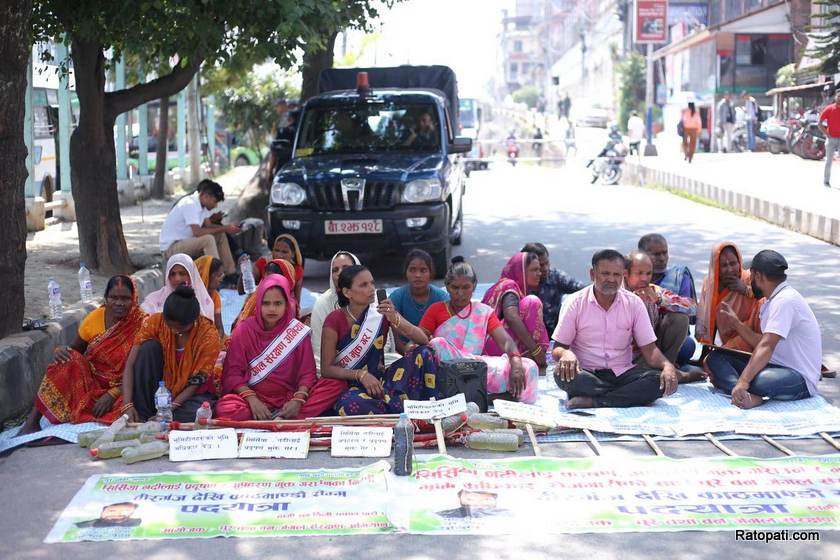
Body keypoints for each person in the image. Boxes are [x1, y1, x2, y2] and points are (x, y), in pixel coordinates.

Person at [551, 249, 679, 409]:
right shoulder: (575, 302)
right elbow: (558, 348)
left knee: (656, 381)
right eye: (605, 274)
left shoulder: (634, 303)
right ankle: (622, 396)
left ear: (623, 275)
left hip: (622, 373)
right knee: (561, 375)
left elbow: (650, 350)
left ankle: (595, 401)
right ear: (592, 274)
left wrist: (667, 366)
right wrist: (566, 353)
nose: (611, 279)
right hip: (587, 373)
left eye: (616, 275)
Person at [20, 276, 146, 434]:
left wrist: (113, 393)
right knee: (66, 359)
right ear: (106, 298)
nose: (119, 303)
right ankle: (32, 422)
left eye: (125, 298)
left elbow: (142, 370)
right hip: (91, 382)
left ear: (134, 299)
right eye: (114, 297)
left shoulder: (142, 323)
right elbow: (75, 350)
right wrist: (61, 351)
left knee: (131, 411)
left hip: (124, 388)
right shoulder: (94, 318)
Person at [215, 275, 346, 420]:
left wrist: (298, 400)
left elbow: (307, 374)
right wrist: (252, 400)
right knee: (226, 408)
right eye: (266, 303)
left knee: (335, 384)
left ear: (287, 304)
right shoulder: (244, 330)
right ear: (258, 304)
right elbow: (232, 373)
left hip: (290, 397)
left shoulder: (296, 331)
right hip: (254, 397)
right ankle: (282, 418)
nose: (272, 309)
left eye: (278, 303)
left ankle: (282, 415)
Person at [706, 251, 822, 407]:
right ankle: (745, 394)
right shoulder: (772, 299)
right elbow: (761, 342)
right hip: (773, 365)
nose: (749, 283)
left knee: (760, 381)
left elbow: (767, 346)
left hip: (799, 377)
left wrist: (744, 380)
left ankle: (745, 392)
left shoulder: (785, 301)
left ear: (758, 276)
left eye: (750, 278)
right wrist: (737, 324)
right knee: (717, 358)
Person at [321, 265, 438, 415]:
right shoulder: (335, 319)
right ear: (347, 292)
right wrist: (361, 375)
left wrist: (394, 317)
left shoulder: (379, 311)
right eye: (364, 285)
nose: (371, 289)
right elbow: (326, 369)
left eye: (372, 283)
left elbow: (422, 340)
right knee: (351, 404)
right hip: (353, 386)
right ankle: (403, 408)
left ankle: (425, 409)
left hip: (383, 380)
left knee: (424, 353)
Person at [420, 257, 539, 404]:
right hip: (448, 371)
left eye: (465, 287)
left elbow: (505, 341)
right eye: (455, 288)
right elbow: (419, 339)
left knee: (529, 367)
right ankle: (482, 397)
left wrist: (515, 360)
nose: (460, 293)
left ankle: (494, 400)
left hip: (476, 368)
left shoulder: (483, 312)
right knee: (437, 343)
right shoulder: (436, 310)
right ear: (447, 286)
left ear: (474, 287)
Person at [121, 286, 221, 422]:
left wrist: (169, 410)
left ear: (194, 320)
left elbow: (196, 382)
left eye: (181, 328)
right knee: (148, 348)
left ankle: (163, 417)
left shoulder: (208, 336)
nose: (174, 331)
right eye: (170, 326)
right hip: (159, 391)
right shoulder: (156, 322)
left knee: (196, 413)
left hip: (190, 396)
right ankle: (143, 414)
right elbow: (131, 364)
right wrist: (127, 405)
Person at [624, 251, 703, 383]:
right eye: (639, 273)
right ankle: (662, 375)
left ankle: (667, 372)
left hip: (652, 353)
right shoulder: (616, 295)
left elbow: (693, 308)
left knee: (680, 319)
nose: (644, 278)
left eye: (648, 274)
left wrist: (660, 300)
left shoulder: (653, 290)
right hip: (625, 357)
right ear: (626, 274)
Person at [637, 233, 697, 365]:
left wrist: (660, 300)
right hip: (632, 340)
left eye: (665, 253)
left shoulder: (677, 276)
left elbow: (691, 308)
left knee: (687, 345)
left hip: (663, 336)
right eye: (656, 254)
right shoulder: (627, 278)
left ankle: (665, 368)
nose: (662, 258)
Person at [159, 179, 239, 276]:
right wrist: (225, 228)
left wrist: (228, 228)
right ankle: (214, 276)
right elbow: (197, 232)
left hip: (185, 242)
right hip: (171, 248)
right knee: (208, 239)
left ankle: (230, 273)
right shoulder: (189, 204)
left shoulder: (202, 206)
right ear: (205, 196)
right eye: (214, 201)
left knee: (220, 235)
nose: (215, 205)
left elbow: (209, 225)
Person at [481, 252, 549, 367]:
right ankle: (533, 355)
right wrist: (536, 351)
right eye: (534, 270)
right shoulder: (509, 286)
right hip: (492, 346)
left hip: (493, 344)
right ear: (521, 271)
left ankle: (527, 356)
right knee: (532, 302)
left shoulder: (508, 286)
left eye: (539, 270)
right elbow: (511, 317)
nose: (539, 273)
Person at [695, 242, 762, 353]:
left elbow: (767, 299)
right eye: (724, 265)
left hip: (748, 335)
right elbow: (706, 315)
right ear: (716, 266)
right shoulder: (709, 283)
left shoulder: (749, 279)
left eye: (733, 263)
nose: (730, 269)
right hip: (726, 339)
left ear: (739, 262)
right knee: (710, 360)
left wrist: (746, 290)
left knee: (713, 361)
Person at [388, 249, 449, 354]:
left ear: (431, 273)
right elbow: (392, 333)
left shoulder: (442, 298)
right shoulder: (396, 298)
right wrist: (404, 352)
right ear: (406, 272)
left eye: (423, 270)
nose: (417, 275)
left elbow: (448, 331)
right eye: (412, 270)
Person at [311, 251, 361, 371]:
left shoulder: (371, 298)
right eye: (335, 270)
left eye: (346, 268)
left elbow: (385, 345)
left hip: (372, 363)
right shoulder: (322, 304)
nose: (340, 273)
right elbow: (319, 353)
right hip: (336, 370)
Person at [521, 242, 586, 336]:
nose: (545, 269)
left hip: (553, 333)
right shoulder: (517, 284)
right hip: (526, 337)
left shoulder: (554, 276)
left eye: (547, 263)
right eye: (540, 265)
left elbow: (582, 289)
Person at [141, 253, 215, 321]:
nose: (177, 278)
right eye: (172, 274)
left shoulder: (204, 301)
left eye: (182, 273)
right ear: (168, 277)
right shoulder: (153, 300)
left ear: (191, 275)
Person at [234, 259, 299, 328]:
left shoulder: (290, 305)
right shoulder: (258, 293)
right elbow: (241, 292)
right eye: (267, 279)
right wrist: (245, 271)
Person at [254, 234, 305, 301]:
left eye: (284, 252)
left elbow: (297, 299)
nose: (280, 255)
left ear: (293, 253)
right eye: (277, 250)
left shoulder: (297, 270)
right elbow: (246, 287)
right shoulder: (263, 263)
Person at [195, 256, 225, 339]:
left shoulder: (215, 296)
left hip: (210, 340)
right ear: (207, 275)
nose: (222, 278)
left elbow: (219, 327)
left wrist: (216, 344)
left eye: (222, 274)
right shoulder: (192, 297)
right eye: (219, 275)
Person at [818, 90, 840, 188]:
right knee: (828, 161)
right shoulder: (829, 109)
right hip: (831, 138)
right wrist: (826, 134)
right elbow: (819, 123)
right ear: (836, 98)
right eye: (839, 96)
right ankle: (826, 181)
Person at [76, 503, 141, 529]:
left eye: (126, 512)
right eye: (111, 511)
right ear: (102, 511)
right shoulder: (84, 524)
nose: (117, 515)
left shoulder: (136, 523)